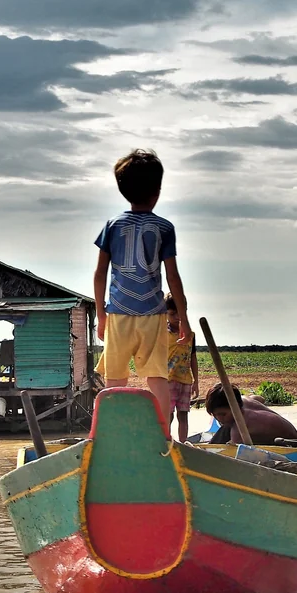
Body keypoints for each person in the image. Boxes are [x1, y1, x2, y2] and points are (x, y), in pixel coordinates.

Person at [93, 149, 190, 423]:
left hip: (119, 313)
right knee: (157, 378)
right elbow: (174, 278)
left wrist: (101, 315)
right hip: (153, 314)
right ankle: (163, 434)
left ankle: (113, 430)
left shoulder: (112, 226)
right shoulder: (164, 228)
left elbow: (100, 275)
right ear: (157, 191)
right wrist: (184, 320)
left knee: (115, 379)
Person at [205, 384, 297, 446]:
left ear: (236, 406)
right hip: (292, 436)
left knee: (226, 430)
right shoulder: (245, 399)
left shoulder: (239, 427)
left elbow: (234, 453)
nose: (219, 418)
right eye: (215, 415)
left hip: (290, 446)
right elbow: (260, 398)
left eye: (223, 414)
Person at [165, 295, 198, 443]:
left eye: (180, 313)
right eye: (173, 314)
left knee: (183, 415)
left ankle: (183, 444)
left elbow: (193, 357)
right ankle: (166, 443)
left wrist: (196, 381)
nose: (177, 317)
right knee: (168, 415)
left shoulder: (190, 335)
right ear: (165, 313)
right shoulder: (161, 333)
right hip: (168, 380)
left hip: (185, 380)